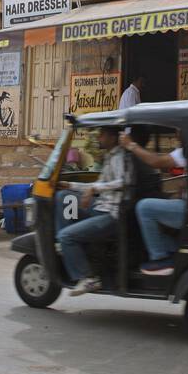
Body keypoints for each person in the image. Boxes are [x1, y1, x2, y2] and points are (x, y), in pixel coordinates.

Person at [56, 126, 128, 295]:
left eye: (102, 135)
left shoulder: (119, 157)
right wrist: (71, 185)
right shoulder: (109, 157)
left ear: (112, 137)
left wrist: (94, 189)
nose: (99, 138)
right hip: (100, 208)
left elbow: (122, 182)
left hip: (110, 214)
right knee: (65, 197)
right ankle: (64, 246)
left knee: (66, 236)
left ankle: (88, 278)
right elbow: (96, 185)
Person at [121, 132, 187, 275]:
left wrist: (130, 145)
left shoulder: (187, 150)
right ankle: (174, 250)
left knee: (144, 208)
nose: (175, 135)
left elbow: (156, 162)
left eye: (178, 131)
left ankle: (160, 258)